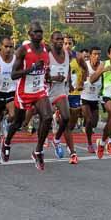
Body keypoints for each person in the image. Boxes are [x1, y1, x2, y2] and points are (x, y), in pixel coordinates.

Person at [2, 22, 53, 170]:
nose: (39, 34)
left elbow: (47, 66)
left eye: (41, 32)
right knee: (18, 123)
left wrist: (47, 74)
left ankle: (38, 151)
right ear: (30, 34)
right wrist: (31, 68)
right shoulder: (22, 50)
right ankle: (7, 142)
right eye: (36, 32)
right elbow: (13, 75)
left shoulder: (46, 48)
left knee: (48, 117)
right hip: (24, 92)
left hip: (39, 90)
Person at [48, 31, 79, 164]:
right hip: (46, 90)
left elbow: (67, 70)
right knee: (43, 119)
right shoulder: (47, 55)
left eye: (63, 40)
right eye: (58, 39)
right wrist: (54, 78)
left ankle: (71, 152)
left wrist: (71, 82)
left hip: (61, 90)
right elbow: (41, 74)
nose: (61, 42)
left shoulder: (69, 55)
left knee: (66, 118)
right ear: (52, 40)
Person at [0, 37, 17, 164]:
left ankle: (7, 121)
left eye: (10, 47)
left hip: (11, 91)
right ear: (1, 47)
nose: (8, 49)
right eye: (6, 46)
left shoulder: (16, 59)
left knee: (13, 115)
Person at [81, 46, 102, 153]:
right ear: (90, 55)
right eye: (95, 54)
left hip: (95, 98)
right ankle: (89, 143)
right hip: (84, 97)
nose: (97, 56)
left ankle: (87, 128)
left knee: (94, 123)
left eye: (99, 54)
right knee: (88, 120)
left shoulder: (102, 65)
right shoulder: (85, 65)